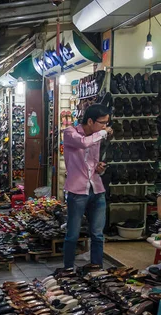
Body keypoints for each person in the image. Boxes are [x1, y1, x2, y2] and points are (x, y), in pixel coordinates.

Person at [60, 104, 113, 272]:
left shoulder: (96, 137)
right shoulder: (70, 133)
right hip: (77, 191)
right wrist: (103, 133)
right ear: (90, 121)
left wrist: (99, 167)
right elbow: (83, 144)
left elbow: (92, 161)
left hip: (96, 189)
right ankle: (68, 268)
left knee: (97, 233)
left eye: (106, 123)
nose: (105, 126)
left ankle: (96, 267)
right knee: (72, 234)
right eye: (102, 122)